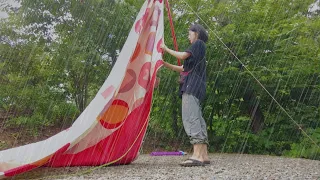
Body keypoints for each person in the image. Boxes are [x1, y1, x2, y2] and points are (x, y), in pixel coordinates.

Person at [161, 23, 209, 166]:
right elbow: (182, 67)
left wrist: (165, 48)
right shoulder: (199, 52)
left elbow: (182, 56)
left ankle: (197, 156)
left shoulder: (198, 44)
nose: (188, 36)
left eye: (190, 33)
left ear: (197, 33)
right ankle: (204, 155)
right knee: (198, 118)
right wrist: (164, 63)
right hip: (196, 87)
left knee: (191, 118)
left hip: (191, 87)